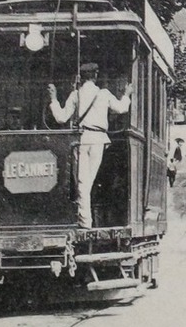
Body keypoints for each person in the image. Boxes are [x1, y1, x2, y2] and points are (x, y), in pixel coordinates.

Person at [48, 65, 131, 229]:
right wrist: (127, 95)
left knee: (82, 182)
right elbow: (122, 108)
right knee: (88, 182)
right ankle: (85, 220)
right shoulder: (104, 94)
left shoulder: (75, 94)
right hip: (99, 140)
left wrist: (53, 98)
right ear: (95, 75)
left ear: (81, 77)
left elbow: (61, 118)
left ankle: (85, 222)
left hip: (82, 139)